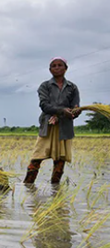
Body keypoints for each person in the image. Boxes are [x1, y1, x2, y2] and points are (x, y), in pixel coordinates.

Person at [23, 57, 81, 185]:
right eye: (54, 66)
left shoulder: (72, 87)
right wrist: (62, 111)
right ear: (50, 70)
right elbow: (44, 106)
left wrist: (76, 111)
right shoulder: (45, 86)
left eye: (60, 65)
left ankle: (55, 190)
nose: (57, 68)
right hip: (48, 125)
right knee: (36, 158)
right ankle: (28, 186)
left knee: (60, 161)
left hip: (64, 127)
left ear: (66, 68)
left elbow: (75, 107)